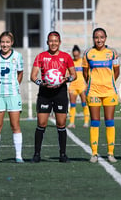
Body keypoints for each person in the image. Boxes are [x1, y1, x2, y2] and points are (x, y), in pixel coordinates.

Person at [30, 31, 76, 163]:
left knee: (61, 124)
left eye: (56, 41)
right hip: (44, 93)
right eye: (51, 41)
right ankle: (37, 154)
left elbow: (74, 75)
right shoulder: (41, 56)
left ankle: (63, 154)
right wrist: (41, 83)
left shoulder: (66, 57)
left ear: (60, 42)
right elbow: (33, 76)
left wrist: (65, 79)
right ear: (47, 42)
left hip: (60, 92)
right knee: (41, 123)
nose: (53, 43)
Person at [82, 28, 120, 163]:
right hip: (93, 92)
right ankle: (94, 153)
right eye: (96, 37)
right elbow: (85, 73)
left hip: (110, 91)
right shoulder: (87, 53)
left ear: (106, 38)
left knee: (109, 121)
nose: (99, 40)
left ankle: (110, 153)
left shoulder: (113, 53)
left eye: (102, 37)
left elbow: (117, 71)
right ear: (93, 39)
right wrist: (93, 84)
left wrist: (108, 83)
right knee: (95, 121)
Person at [0, 31, 24, 164]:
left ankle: (18, 156)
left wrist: (13, 86)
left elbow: (20, 74)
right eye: (3, 42)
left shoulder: (18, 56)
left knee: (15, 125)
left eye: (7, 42)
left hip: (13, 94)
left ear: (12, 43)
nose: (5, 45)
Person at [67, 45, 90, 128]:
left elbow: (87, 73)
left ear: (79, 53)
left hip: (82, 86)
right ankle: (71, 122)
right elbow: (67, 74)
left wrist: (87, 84)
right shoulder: (71, 62)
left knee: (84, 104)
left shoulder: (83, 61)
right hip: (73, 86)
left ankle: (86, 122)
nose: (75, 57)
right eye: (74, 55)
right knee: (72, 105)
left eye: (77, 55)